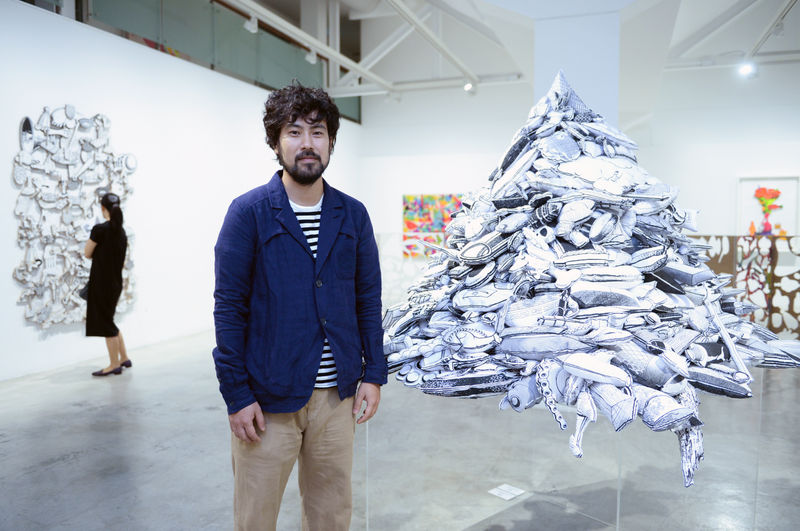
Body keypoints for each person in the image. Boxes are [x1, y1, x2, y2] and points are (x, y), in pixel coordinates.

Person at [212, 82, 387, 531]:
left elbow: (368, 299)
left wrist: (373, 373)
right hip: (267, 401)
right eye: (294, 131)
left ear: (330, 142)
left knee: (331, 515)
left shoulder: (353, 215)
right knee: (256, 518)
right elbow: (229, 308)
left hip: (336, 400)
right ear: (276, 142)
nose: (307, 143)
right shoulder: (248, 213)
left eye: (318, 131)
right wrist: (237, 394)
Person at [84, 192, 130, 376]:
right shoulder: (122, 232)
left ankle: (113, 364)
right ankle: (124, 358)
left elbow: (87, 253)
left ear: (103, 209)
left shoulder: (100, 230)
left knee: (106, 324)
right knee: (110, 320)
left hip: (101, 284)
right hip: (115, 284)